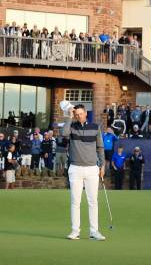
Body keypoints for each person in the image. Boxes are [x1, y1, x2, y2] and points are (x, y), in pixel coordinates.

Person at [62, 102, 106, 241]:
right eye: (77, 114)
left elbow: (100, 147)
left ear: (86, 113)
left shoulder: (95, 127)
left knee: (93, 201)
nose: (79, 116)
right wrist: (69, 116)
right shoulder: (72, 126)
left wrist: (102, 165)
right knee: (75, 201)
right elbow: (64, 133)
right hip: (75, 168)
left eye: (81, 114)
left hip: (92, 168)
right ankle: (75, 231)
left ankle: (94, 231)